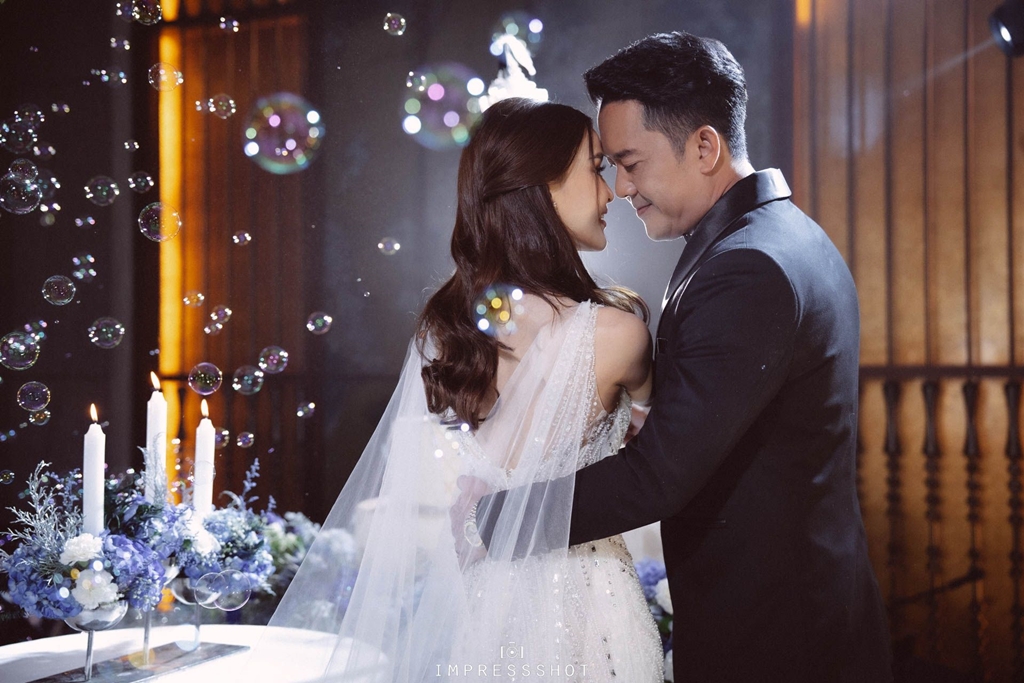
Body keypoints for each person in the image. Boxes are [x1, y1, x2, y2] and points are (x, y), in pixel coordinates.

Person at [459, 31, 893, 683]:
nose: (621, 187)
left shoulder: (749, 267)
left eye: (631, 162)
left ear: (705, 146)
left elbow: (659, 478)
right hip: (791, 609)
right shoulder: (777, 236)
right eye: (608, 166)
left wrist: (492, 516)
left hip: (778, 637)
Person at [243, 97, 665, 682]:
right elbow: (659, 441)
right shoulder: (615, 334)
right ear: (539, 188)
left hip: (486, 603)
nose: (612, 192)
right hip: (589, 603)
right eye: (596, 168)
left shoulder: (449, 332)